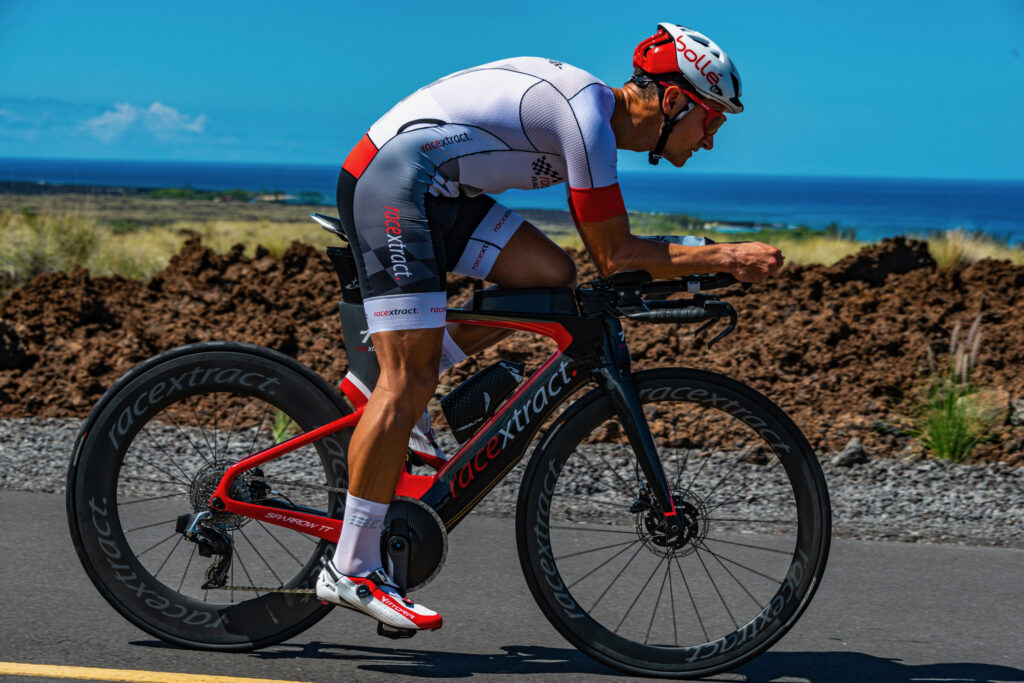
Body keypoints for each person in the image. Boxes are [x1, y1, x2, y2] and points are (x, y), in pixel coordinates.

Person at [317, 22, 784, 631]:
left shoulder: (595, 121)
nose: (711, 140)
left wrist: (699, 267)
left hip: (437, 189)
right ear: (672, 101)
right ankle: (349, 568)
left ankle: (388, 378)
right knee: (410, 385)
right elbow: (615, 255)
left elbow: (605, 258)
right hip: (393, 181)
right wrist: (723, 255)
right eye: (711, 121)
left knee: (549, 275)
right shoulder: (587, 117)